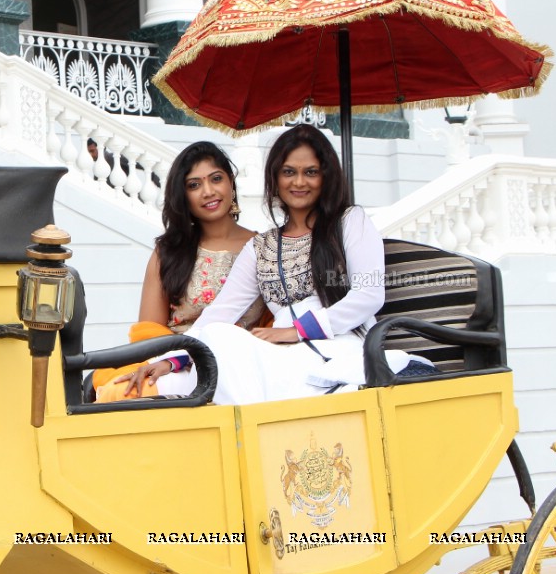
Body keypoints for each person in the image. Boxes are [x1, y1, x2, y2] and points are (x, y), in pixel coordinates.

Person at [116, 125, 422, 404]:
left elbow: (368, 297)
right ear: (275, 178)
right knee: (213, 344)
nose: (299, 182)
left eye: (310, 172)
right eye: (289, 172)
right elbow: (218, 316)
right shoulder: (261, 247)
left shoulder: (350, 222)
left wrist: (295, 331)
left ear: (326, 176)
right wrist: (172, 361)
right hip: (279, 355)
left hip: (338, 346)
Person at [92, 142, 264, 402]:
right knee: (119, 393)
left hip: (244, 363)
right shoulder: (169, 253)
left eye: (216, 179)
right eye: (194, 185)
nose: (208, 191)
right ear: (183, 195)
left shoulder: (265, 249)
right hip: (173, 363)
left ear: (231, 183)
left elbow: (274, 322)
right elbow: (149, 332)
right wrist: (173, 361)